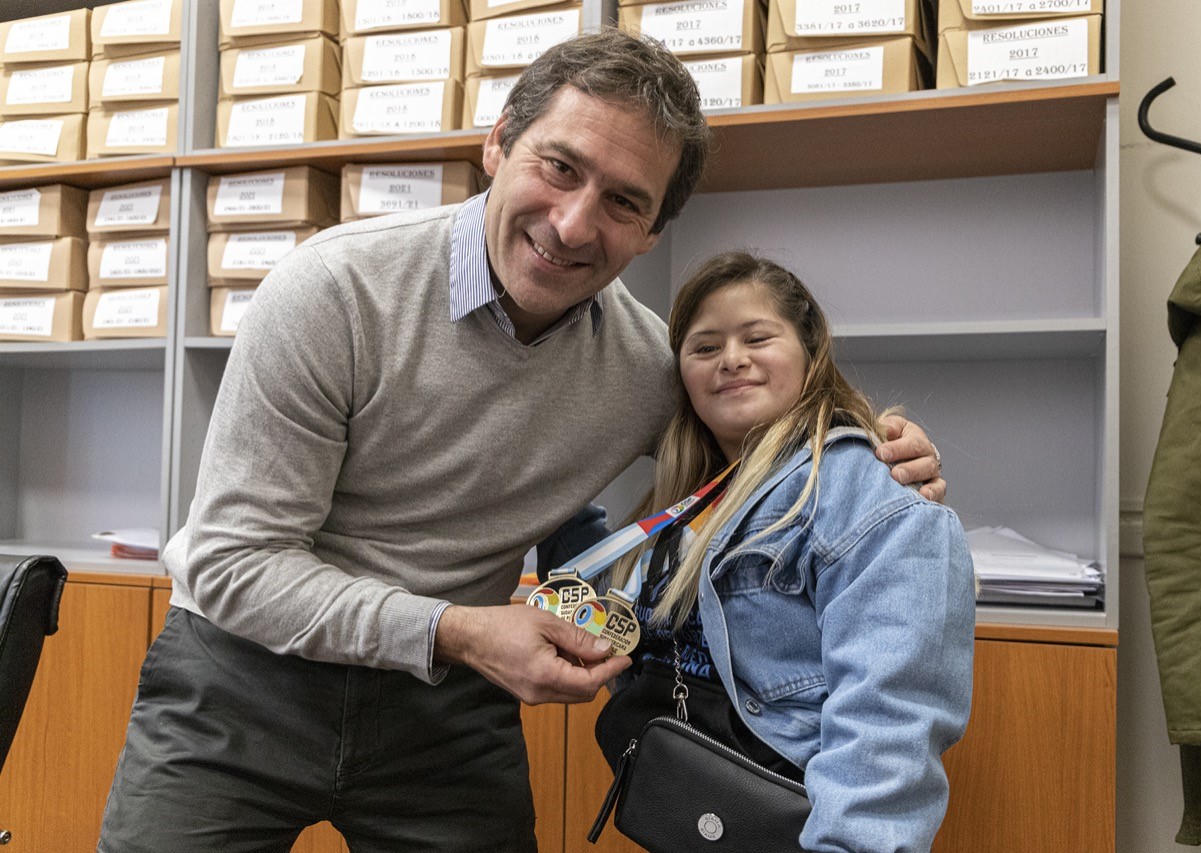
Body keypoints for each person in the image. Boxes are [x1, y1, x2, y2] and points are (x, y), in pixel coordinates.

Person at [98, 30, 946, 853]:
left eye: (624, 201)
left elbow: (764, 445)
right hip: (245, 675)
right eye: (561, 166)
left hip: (446, 708)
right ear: (498, 142)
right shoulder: (335, 291)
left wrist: (875, 453)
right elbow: (234, 562)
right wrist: (459, 630)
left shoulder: (647, 368)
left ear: (652, 231)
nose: (574, 225)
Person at [576, 252, 975, 852]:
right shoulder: (682, 503)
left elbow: (889, 727)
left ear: (810, 352)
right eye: (705, 347)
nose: (732, 359)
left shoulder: (868, 495)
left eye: (757, 338)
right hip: (693, 818)